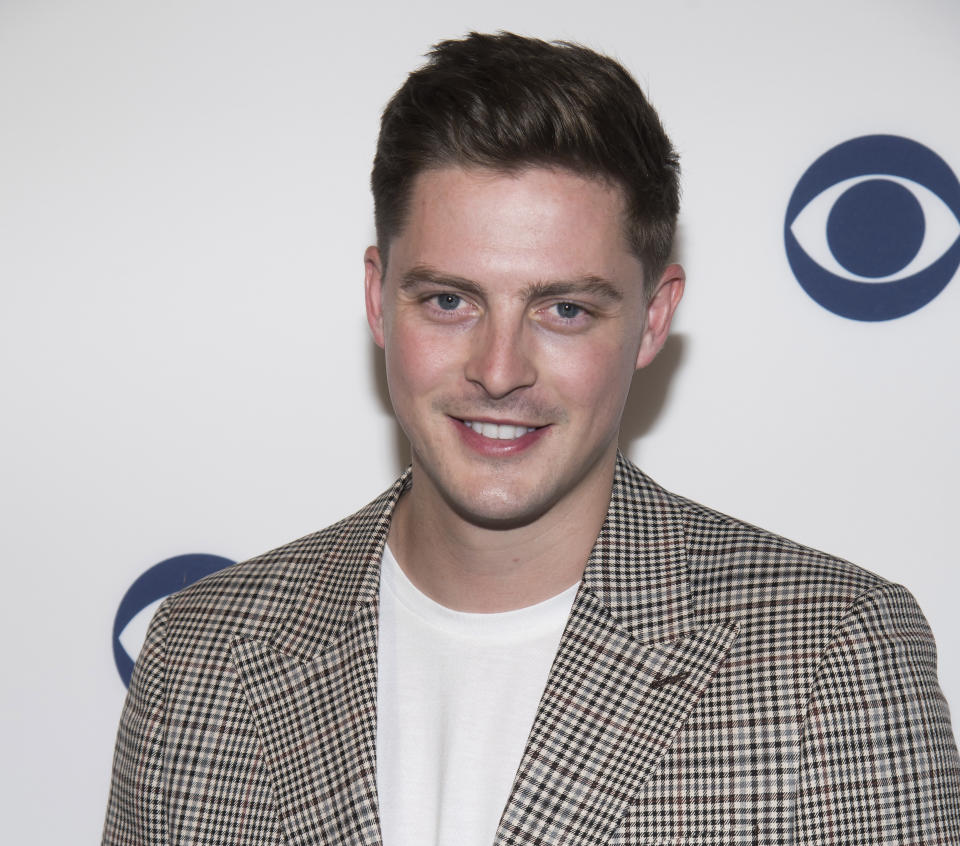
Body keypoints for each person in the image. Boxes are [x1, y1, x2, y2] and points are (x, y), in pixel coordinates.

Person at [103, 32, 960, 845]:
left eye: (564, 310)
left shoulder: (826, 655)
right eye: (449, 301)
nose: (501, 369)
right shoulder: (202, 656)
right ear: (377, 297)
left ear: (655, 318)